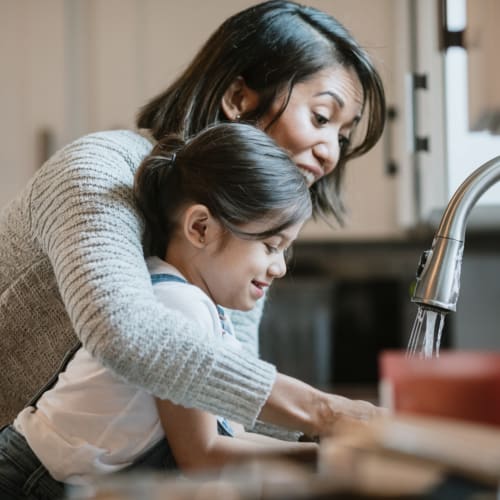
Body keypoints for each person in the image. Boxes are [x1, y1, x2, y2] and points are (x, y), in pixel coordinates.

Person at [0, 0, 386, 441]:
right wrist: (327, 413)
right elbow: (123, 334)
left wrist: (332, 445)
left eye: (341, 134)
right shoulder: (99, 170)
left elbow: (224, 393)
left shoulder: (238, 230)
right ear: (239, 99)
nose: (331, 153)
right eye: (320, 118)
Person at [0, 123, 318, 499]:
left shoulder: (202, 305)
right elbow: (203, 454)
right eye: (270, 245)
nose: (280, 266)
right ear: (201, 228)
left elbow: (228, 434)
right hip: (28, 481)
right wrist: (328, 460)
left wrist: (322, 453)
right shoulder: (178, 306)